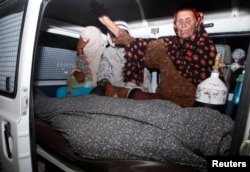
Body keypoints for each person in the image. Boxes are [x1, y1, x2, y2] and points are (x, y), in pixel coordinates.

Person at [90, 0, 221, 107]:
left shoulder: (206, 48)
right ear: (175, 25)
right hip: (163, 101)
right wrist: (107, 21)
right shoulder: (167, 46)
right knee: (114, 93)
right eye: (180, 21)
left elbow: (215, 85)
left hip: (193, 105)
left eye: (188, 20)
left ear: (197, 22)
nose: (184, 25)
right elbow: (134, 43)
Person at [91, 21, 163, 99]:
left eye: (122, 34)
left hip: (134, 88)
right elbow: (103, 74)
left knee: (138, 95)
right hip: (113, 87)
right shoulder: (107, 52)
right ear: (111, 38)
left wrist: (127, 89)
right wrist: (108, 85)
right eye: (115, 35)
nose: (119, 38)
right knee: (97, 92)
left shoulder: (138, 49)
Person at [66, 26, 105, 96]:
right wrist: (76, 73)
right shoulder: (84, 56)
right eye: (81, 40)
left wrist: (80, 50)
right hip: (75, 95)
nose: (82, 43)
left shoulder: (103, 55)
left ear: (94, 42)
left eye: (86, 41)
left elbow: (87, 71)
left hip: (94, 95)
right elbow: (76, 69)